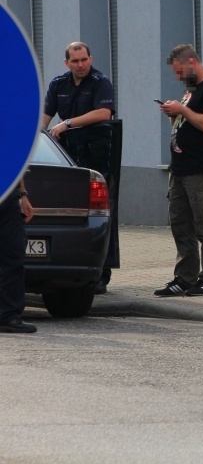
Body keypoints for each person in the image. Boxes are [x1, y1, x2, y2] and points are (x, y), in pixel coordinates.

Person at [154, 44, 203, 297]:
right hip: (180, 169)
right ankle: (184, 278)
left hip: (201, 170)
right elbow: (186, 123)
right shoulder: (191, 90)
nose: (178, 77)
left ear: (192, 62)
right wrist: (173, 114)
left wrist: (183, 109)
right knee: (180, 225)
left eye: (179, 72)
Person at [43, 41, 116, 294]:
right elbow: (45, 118)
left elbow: (104, 113)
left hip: (96, 158)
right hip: (70, 159)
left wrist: (68, 123)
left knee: (99, 216)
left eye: (84, 59)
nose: (81, 64)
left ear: (90, 58)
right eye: (75, 61)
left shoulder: (100, 81)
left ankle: (101, 274)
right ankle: (68, 268)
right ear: (67, 63)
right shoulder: (58, 84)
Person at [0, 180, 37, 333]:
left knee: (13, 256)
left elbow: (18, 163)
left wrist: (22, 195)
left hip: (8, 195)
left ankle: (7, 317)